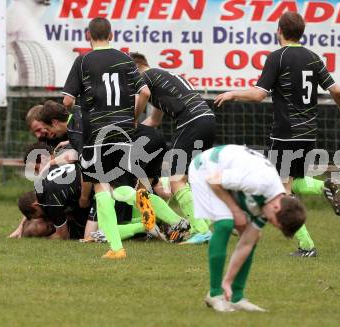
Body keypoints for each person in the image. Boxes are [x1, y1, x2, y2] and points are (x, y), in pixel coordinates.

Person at [214, 12, 340, 257]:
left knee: (281, 191)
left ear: (279, 30)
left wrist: (232, 93)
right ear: (301, 32)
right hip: (308, 134)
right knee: (294, 181)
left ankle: (307, 246)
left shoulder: (277, 57)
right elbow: (336, 90)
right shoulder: (313, 58)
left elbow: (259, 94)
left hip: (285, 135)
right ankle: (324, 187)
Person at [35, 100, 189, 242]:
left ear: (55, 122)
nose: (49, 134)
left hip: (136, 144)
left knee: (120, 192)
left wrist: (83, 197)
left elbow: (88, 167)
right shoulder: (78, 112)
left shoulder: (75, 132)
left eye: (48, 129)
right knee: (140, 193)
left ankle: (160, 224)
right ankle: (169, 223)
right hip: (150, 136)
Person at [61, 17, 151, 259]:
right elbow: (145, 92)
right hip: (123, 131)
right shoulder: (125, 58)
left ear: (88, 36)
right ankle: (140, 197)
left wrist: (75, 115)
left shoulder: (83, 61)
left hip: (96, 133)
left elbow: (68, 100)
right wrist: (134, 115)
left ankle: (116, 248)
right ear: (111, 35)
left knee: (101, 188)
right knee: (120, 185)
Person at [189, 144, 306, 312]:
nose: (270, 224)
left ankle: (236, 297)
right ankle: (214, 294)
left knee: (252, 237)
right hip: (204, 168)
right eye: (273, 222)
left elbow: (246, 243)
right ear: (276, 208)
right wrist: (235, 210)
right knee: (225, 223)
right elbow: (213, 180)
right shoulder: (259, 182)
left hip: (222, 177)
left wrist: (227, 281)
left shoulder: (273, 200)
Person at [130, 52, 215, 244]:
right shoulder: (162, 79)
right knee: (192, 179)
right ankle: (212, 220)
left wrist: (132, 121)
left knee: (176, 180)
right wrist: (134, 132)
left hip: (192, 122)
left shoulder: (145, 77)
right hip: (207, 120)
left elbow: (143, 94)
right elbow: (154, 120)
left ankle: (201, 230)